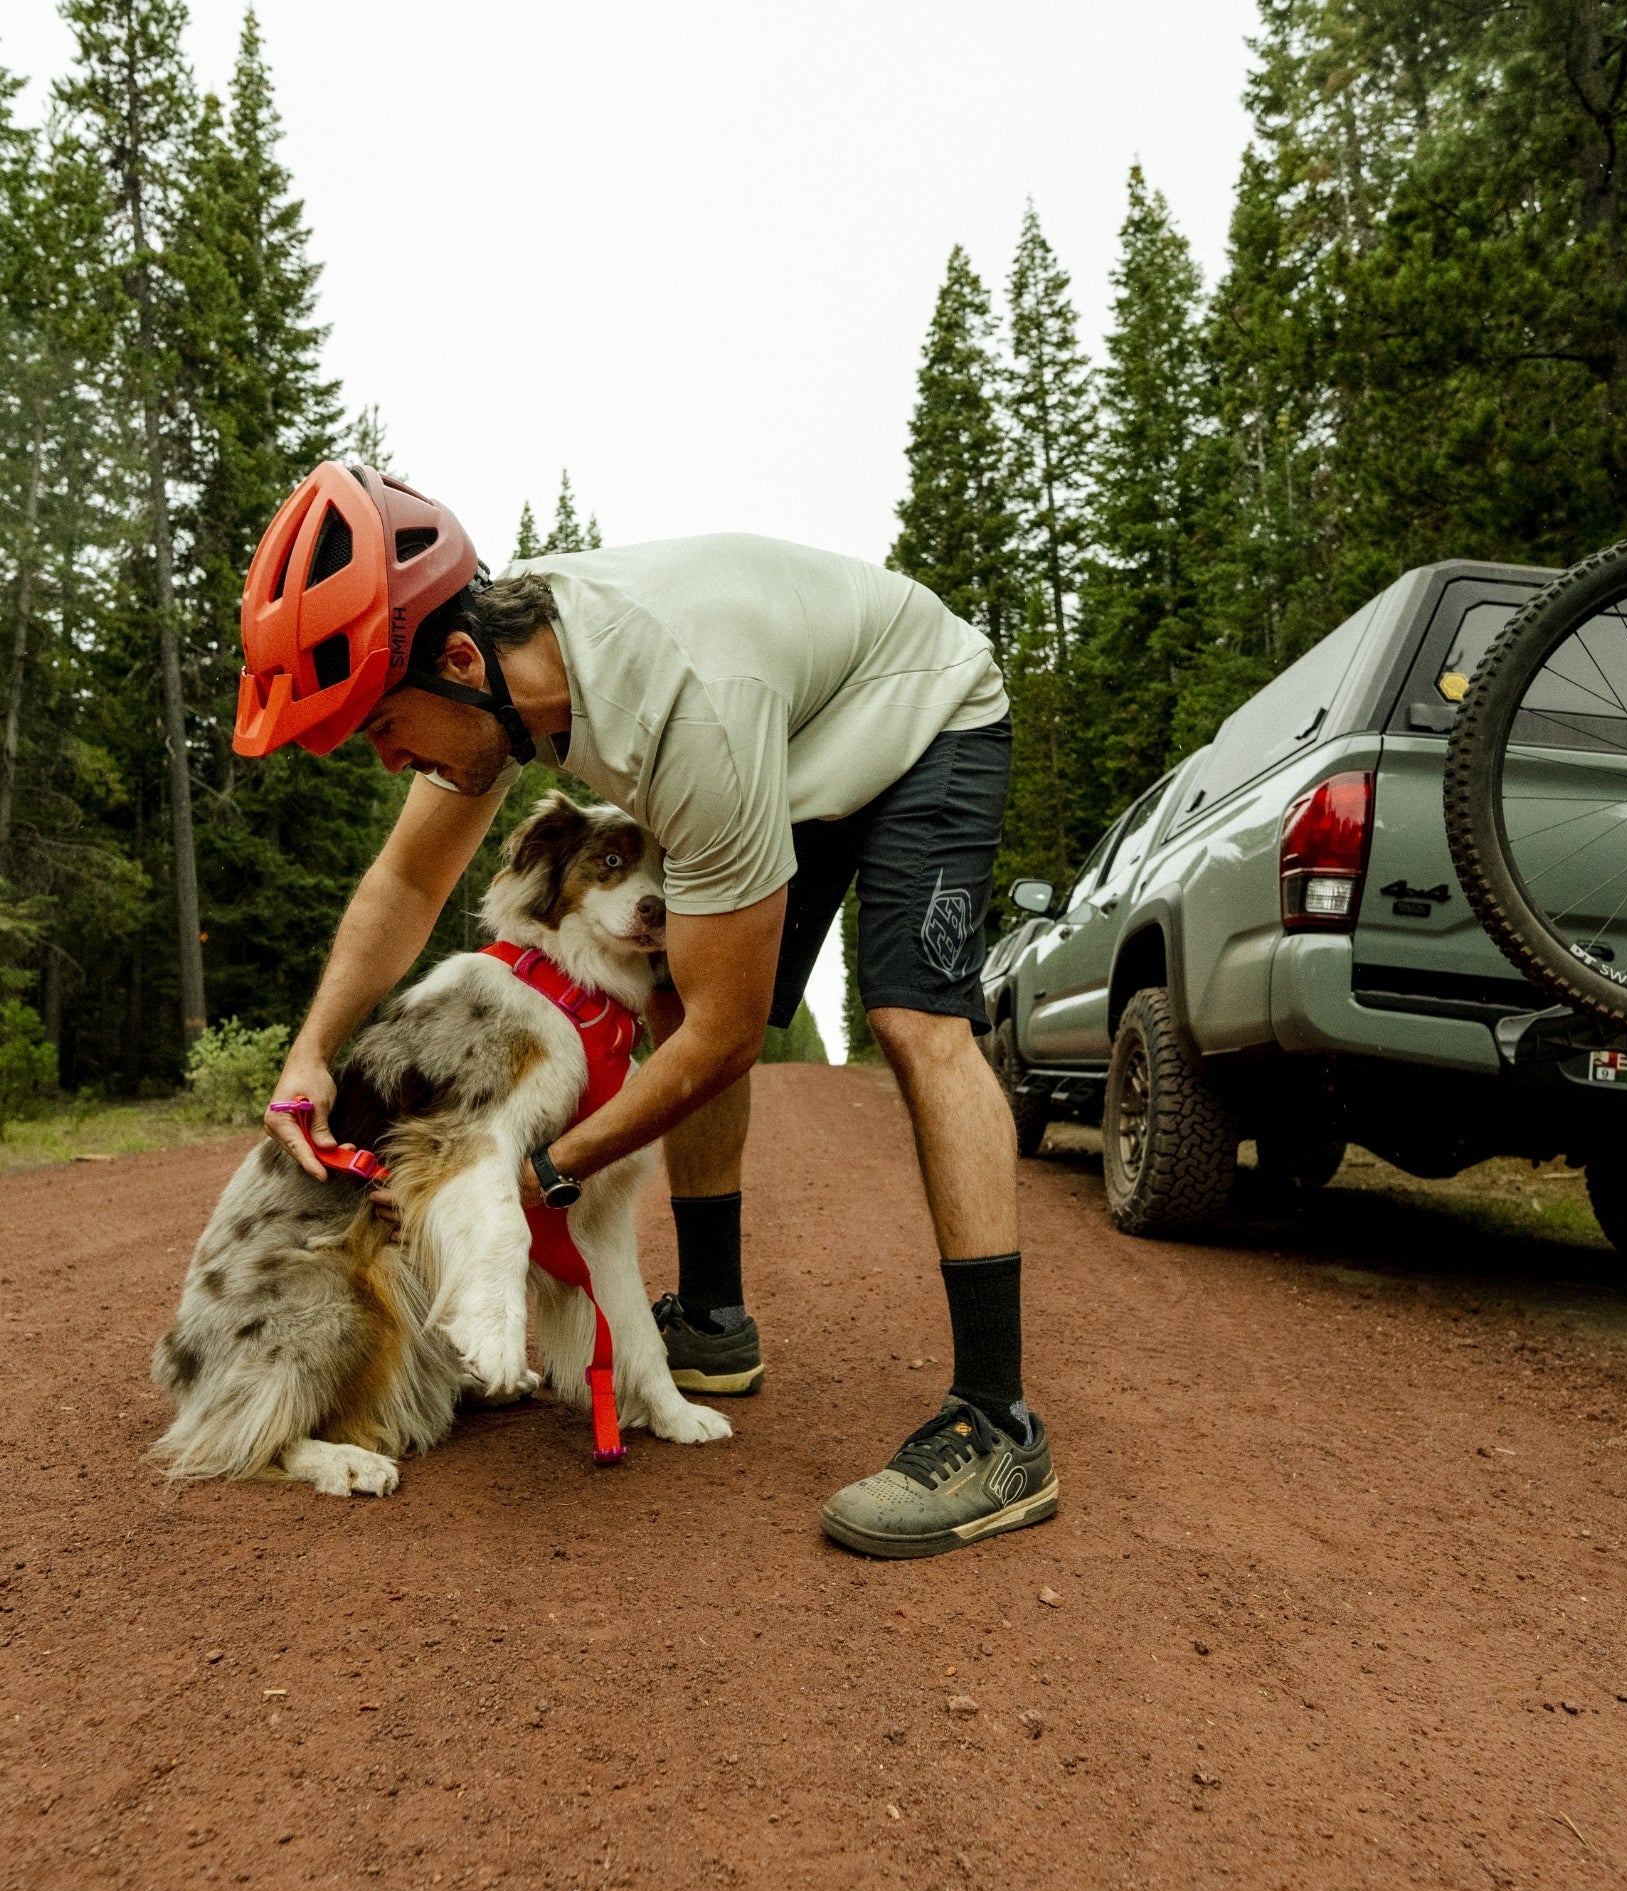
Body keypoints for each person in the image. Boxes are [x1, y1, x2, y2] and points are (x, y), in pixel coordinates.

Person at [236, 460, 1056, 1557]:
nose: (389, 760)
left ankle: (996, 1421)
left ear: (463, 661)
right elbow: (404, 885)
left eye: (385, 727)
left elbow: (727, 1034)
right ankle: (713, 1318)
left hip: (917, 715)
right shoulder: (501, 690)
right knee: (672, 986)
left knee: (914, 1019)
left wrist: (548, 1173)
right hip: (784, 735)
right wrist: (310, 1053)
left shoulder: (676, 710)